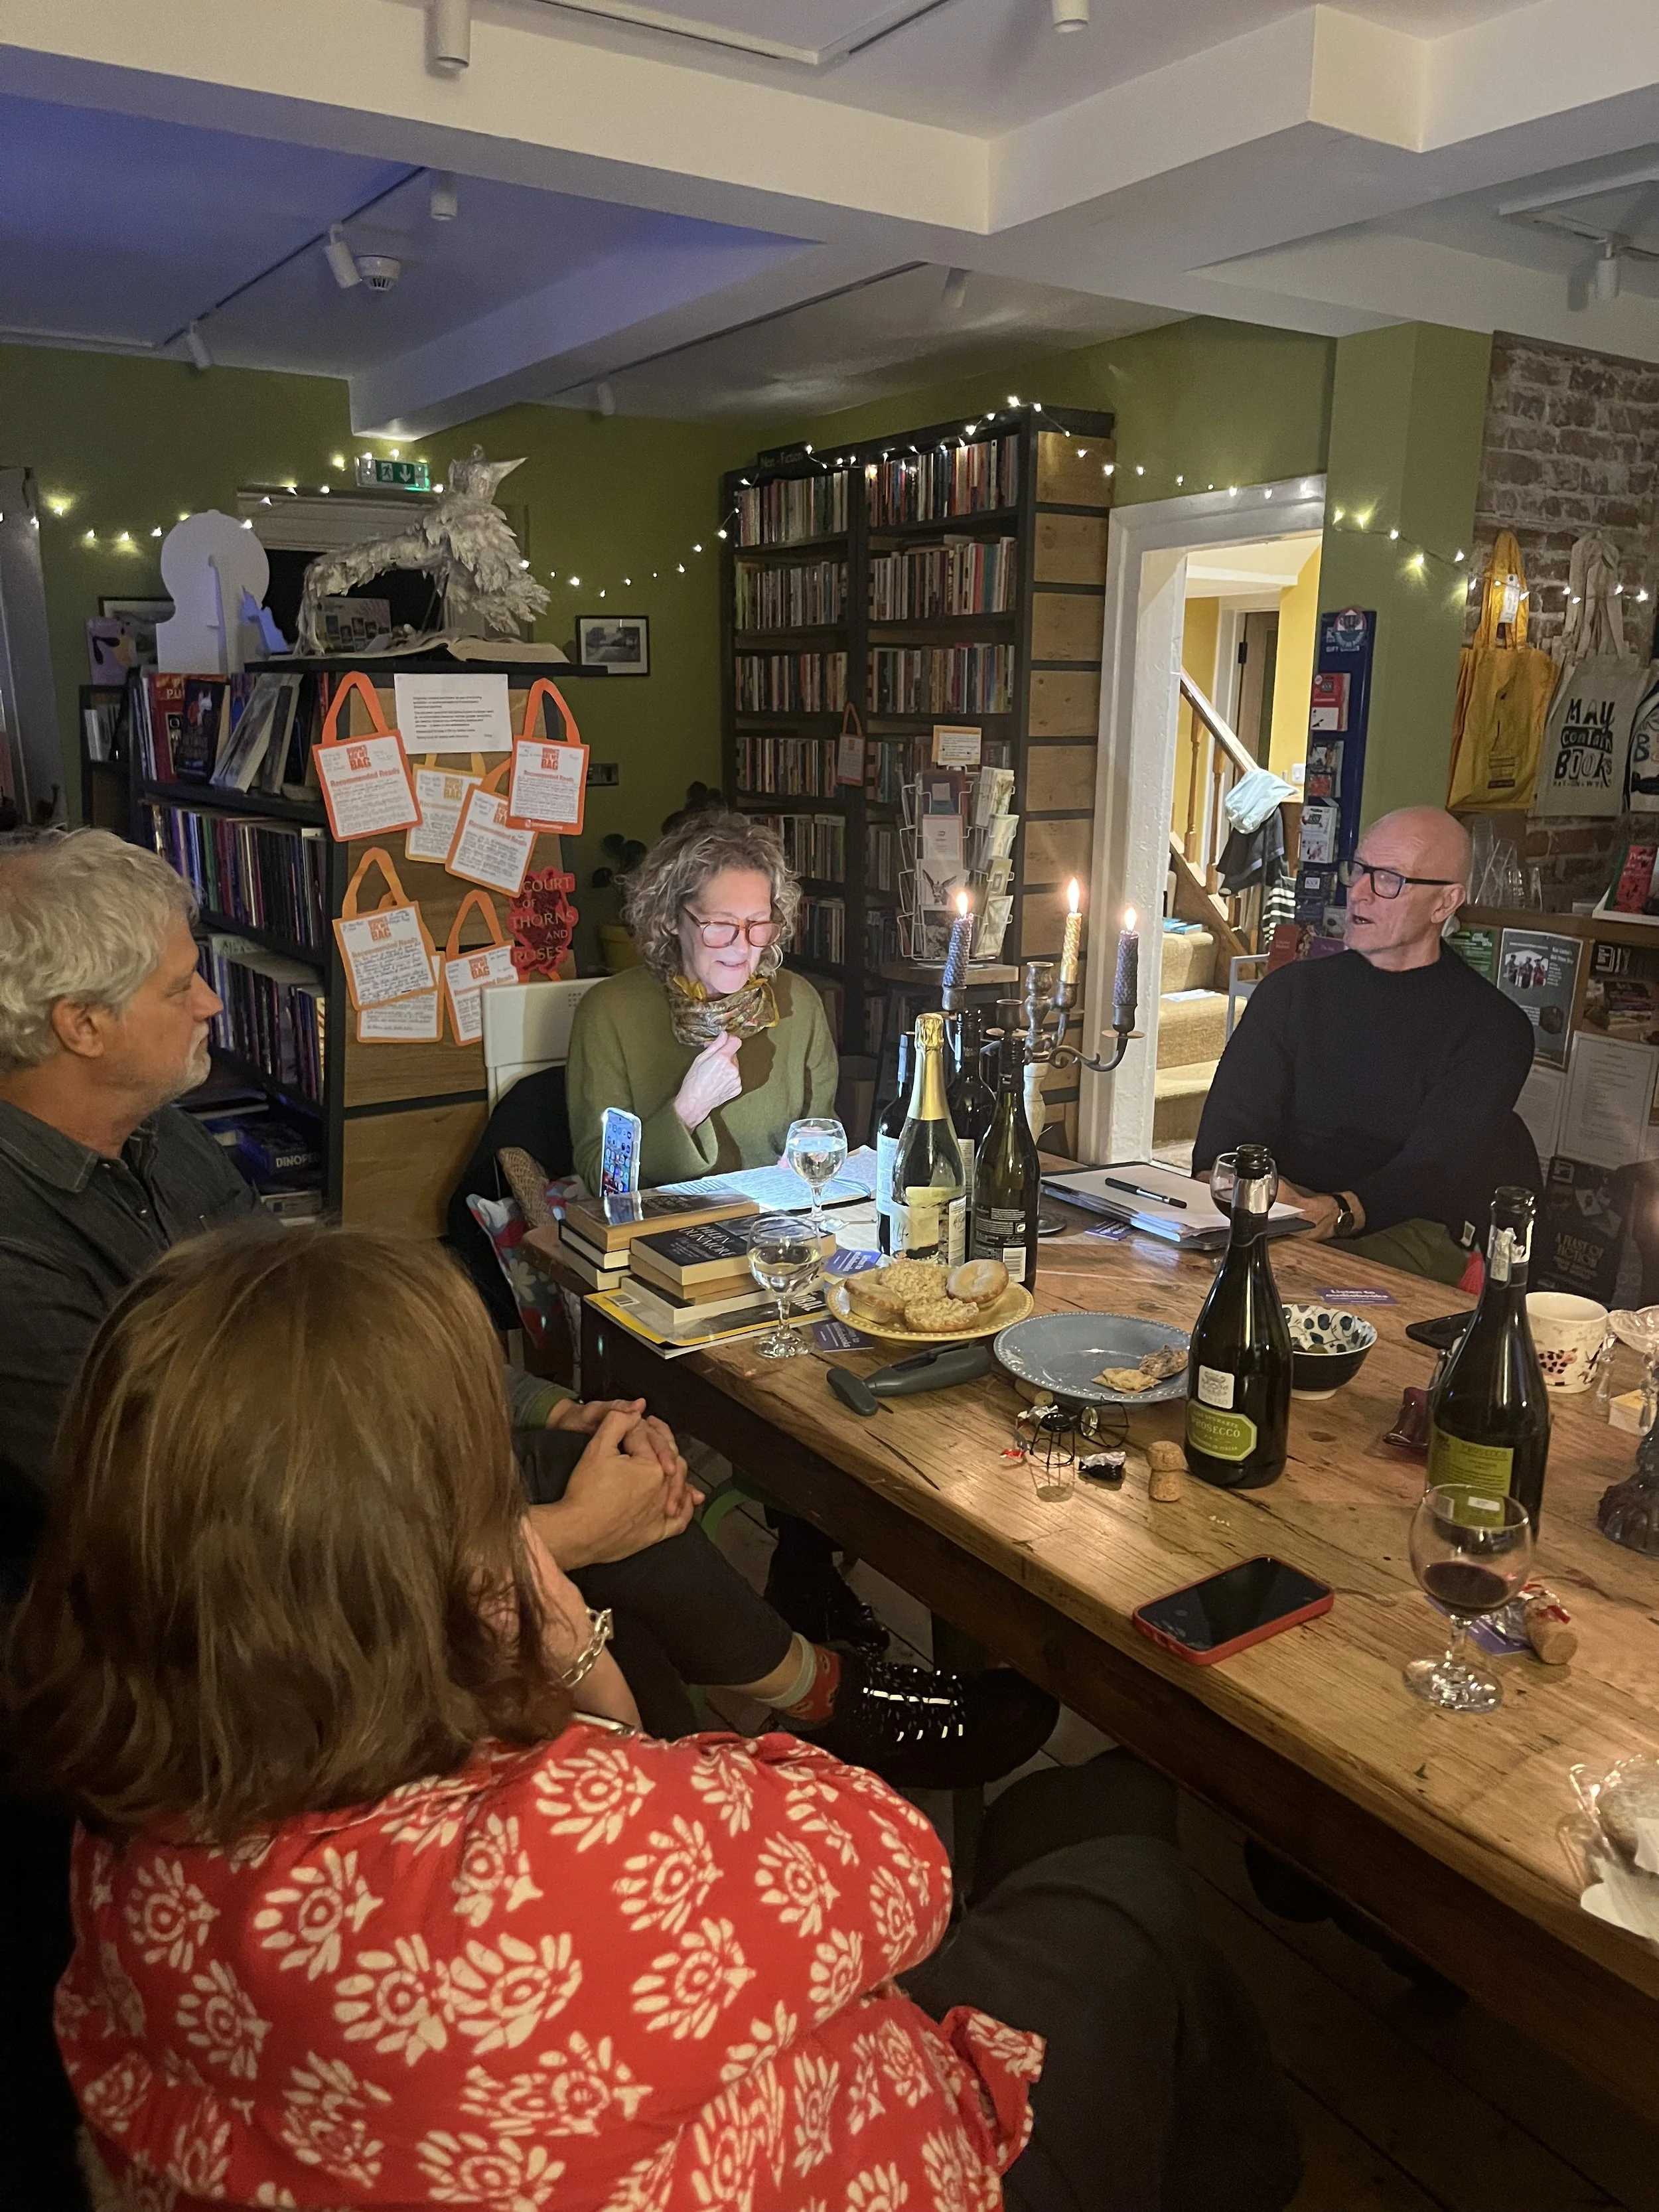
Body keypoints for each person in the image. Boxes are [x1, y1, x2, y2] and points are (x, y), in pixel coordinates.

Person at [0, 830, 1051, 2207]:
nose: (212, 1002)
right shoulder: (20, 1247)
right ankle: (788, 1710)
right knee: (617, 1539)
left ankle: (766, 1696)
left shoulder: (162, 1143)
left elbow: (322, 1366)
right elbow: (211, 1548)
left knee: (608, 1463)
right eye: (187, 981)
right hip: (222, 1618)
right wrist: (552, 1546)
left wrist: (544, 1421)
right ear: (81, 1022)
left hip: (325, 1533)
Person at [9, 1225, 1301, 2212]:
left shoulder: (125, 1835)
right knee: (1116, 1850)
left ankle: (812, 1666)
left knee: (1067, 1829)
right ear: (450, 1553)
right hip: (883, 2144)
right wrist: (583, 1667)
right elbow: (902, 1870)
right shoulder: (566, 1839)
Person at [566, 804, 873, 1650]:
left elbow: (817, 1143)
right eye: (721, 926)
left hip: (782, 1259)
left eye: (759, 924)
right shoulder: (612, 1013)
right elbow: (603, 1181)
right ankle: (704, 1610)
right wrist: (687, 1111)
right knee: (755, 1405)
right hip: (665, 1276)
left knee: (850, 1378)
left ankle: (805, 1575)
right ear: (673, 920)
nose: (744, 947)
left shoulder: (797, 1004)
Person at [1194, 806, 1538, 1284]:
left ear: (1445, 903)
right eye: (1358, 870)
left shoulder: (1494, 1028)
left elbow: (1431, 1171)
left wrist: (1333, 1212)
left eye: (1388, 880)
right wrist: (1253, 1193)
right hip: (1273, 1207)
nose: (1357, 892)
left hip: (1402, 1227)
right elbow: (1226, 1133)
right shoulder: (1291, 993)